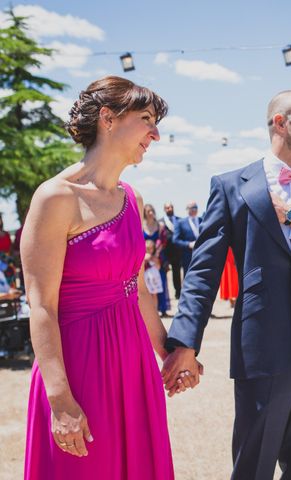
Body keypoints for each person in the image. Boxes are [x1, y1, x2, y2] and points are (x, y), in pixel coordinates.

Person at [161, 90, 291, 480]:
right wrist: (185, 343)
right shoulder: (231, 186)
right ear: (280, 123)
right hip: (262, 346)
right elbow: (203, 272)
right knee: (253, 465)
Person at [22, 76, 178, 479]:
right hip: (79, 365)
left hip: (133, 365)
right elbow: (40, 306)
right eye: (146, 119)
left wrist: (168, 353)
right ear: (108, 118)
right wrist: (59, 398)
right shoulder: (55, 197)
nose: (155, 134)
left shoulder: (133, 199)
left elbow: (138, 287)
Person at [143, 203, 170, 316]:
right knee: (146, 283)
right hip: (144, 259)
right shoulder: (140, 226)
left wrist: (155, 256)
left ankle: (162, 308)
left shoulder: (160, 226)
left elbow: (163, 242)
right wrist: (145, 255)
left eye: (152, 210)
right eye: (148, 211)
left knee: (161, 281)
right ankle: (149, 310)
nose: (150, 213)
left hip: (158, 258)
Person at [161, 202, 182, 299]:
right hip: (165, 252)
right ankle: (165, 296)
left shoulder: (179, 220)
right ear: (164, 209)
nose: (169, 209)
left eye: (171, 207)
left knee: (177, 274)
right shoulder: (160, 222)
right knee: (163, 274)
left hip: (177, 252)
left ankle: (178, 293)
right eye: (167, 207)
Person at [172, 201, 201, 272]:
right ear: (187, 209)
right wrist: (189, 244)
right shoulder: (180, 223)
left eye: (195, 207)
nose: (194, 209)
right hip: (188, 258)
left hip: (202, 255)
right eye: (191, 208)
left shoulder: (202, 220)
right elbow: (175, 240)